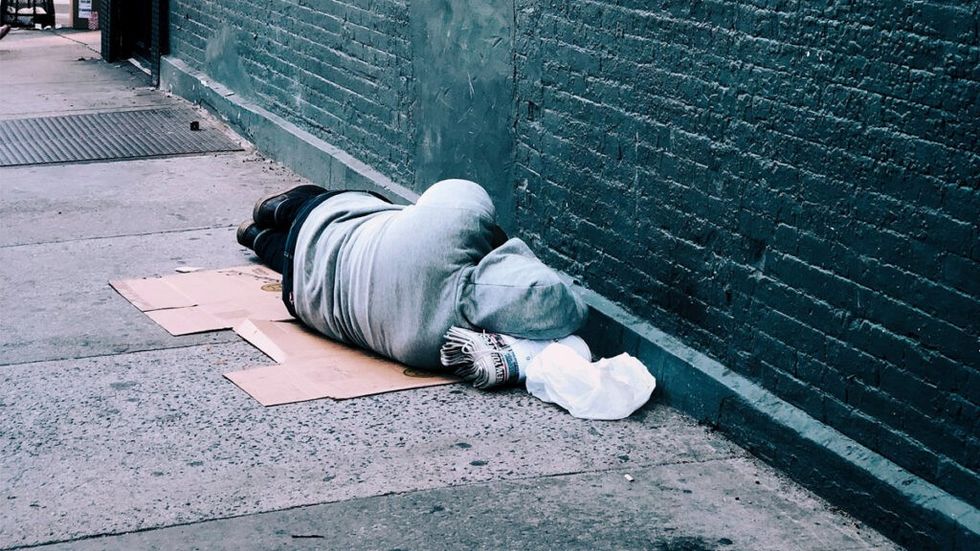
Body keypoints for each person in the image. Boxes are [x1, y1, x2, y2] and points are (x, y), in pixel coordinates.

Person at [237, 179, 588, 380]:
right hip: (303, 297)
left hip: (328, 219)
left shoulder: (454, 225)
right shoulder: (437, 347)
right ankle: (254, 235)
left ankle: (274, 210)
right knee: (296, 257)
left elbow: (460, 190)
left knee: (316, 209)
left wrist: (496, 241)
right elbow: (562, 306)